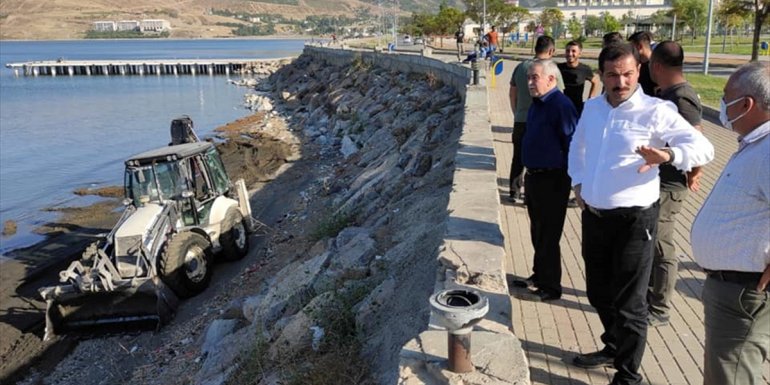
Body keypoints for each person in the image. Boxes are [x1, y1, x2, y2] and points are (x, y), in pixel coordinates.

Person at [568, 43, 714, 385]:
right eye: (613, 75)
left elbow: (705, 148)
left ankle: (628, 374)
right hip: (595, 216)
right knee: (597, 293)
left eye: (628, 74)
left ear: (639, 72)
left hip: (635, 220)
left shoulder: (656, 110)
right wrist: (578, 182)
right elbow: (578, 146)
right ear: (602, 75)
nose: (621, 82)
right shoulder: (592, 109)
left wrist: (669, 155)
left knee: (630, 303)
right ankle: (614, 345)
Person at [690, 61, 770, 385]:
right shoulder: (756, 143)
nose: (722, 105)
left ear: (746, 104)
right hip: (730, 290)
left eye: (726, 97)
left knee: (731, 377)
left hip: (744, 291)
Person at [646, 40, 703, 327]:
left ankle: (660, 307)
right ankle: (649, 296)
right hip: (658, 180)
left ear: (656, 65)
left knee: (661, 244)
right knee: (651, 239)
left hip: (670, 184)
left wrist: (695, 171)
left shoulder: (682, 97)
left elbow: (697, 139)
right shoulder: (669, 93)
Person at [515, 59, 577, 302]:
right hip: (535, 177)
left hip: (553, 179)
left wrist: (572, 180)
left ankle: (551, 287)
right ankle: (539, 275)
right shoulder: (537, 103)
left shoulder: (560, 105)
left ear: (551, 79)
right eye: (529, 77)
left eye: (535, 78)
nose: (530, 82)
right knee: (537, 231)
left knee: (549, 234)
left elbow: (571, 143)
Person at [508, 35, 564, 205]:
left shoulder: (520, 67)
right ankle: (530, 196)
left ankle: (514, 191)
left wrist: (516, 112)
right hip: (542, 123)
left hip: (520, 120)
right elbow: (559, 95)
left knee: (518, 157)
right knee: (536, 160)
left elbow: (512, 92)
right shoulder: (551, 69)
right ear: (552, 51)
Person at [558, 40, 600, 116]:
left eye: (573, 51)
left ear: (579, 54)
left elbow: (595, 82)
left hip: (576, 108)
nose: (570, 54)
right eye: (567, 51)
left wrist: (590, 100)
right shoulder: (558, 68)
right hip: (560, 107)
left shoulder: (584, 69)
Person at [628, 31, 657, 95]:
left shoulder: (656, 67)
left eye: (632, 48)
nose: (630, 51)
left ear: (639, 47)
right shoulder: (637, 65)